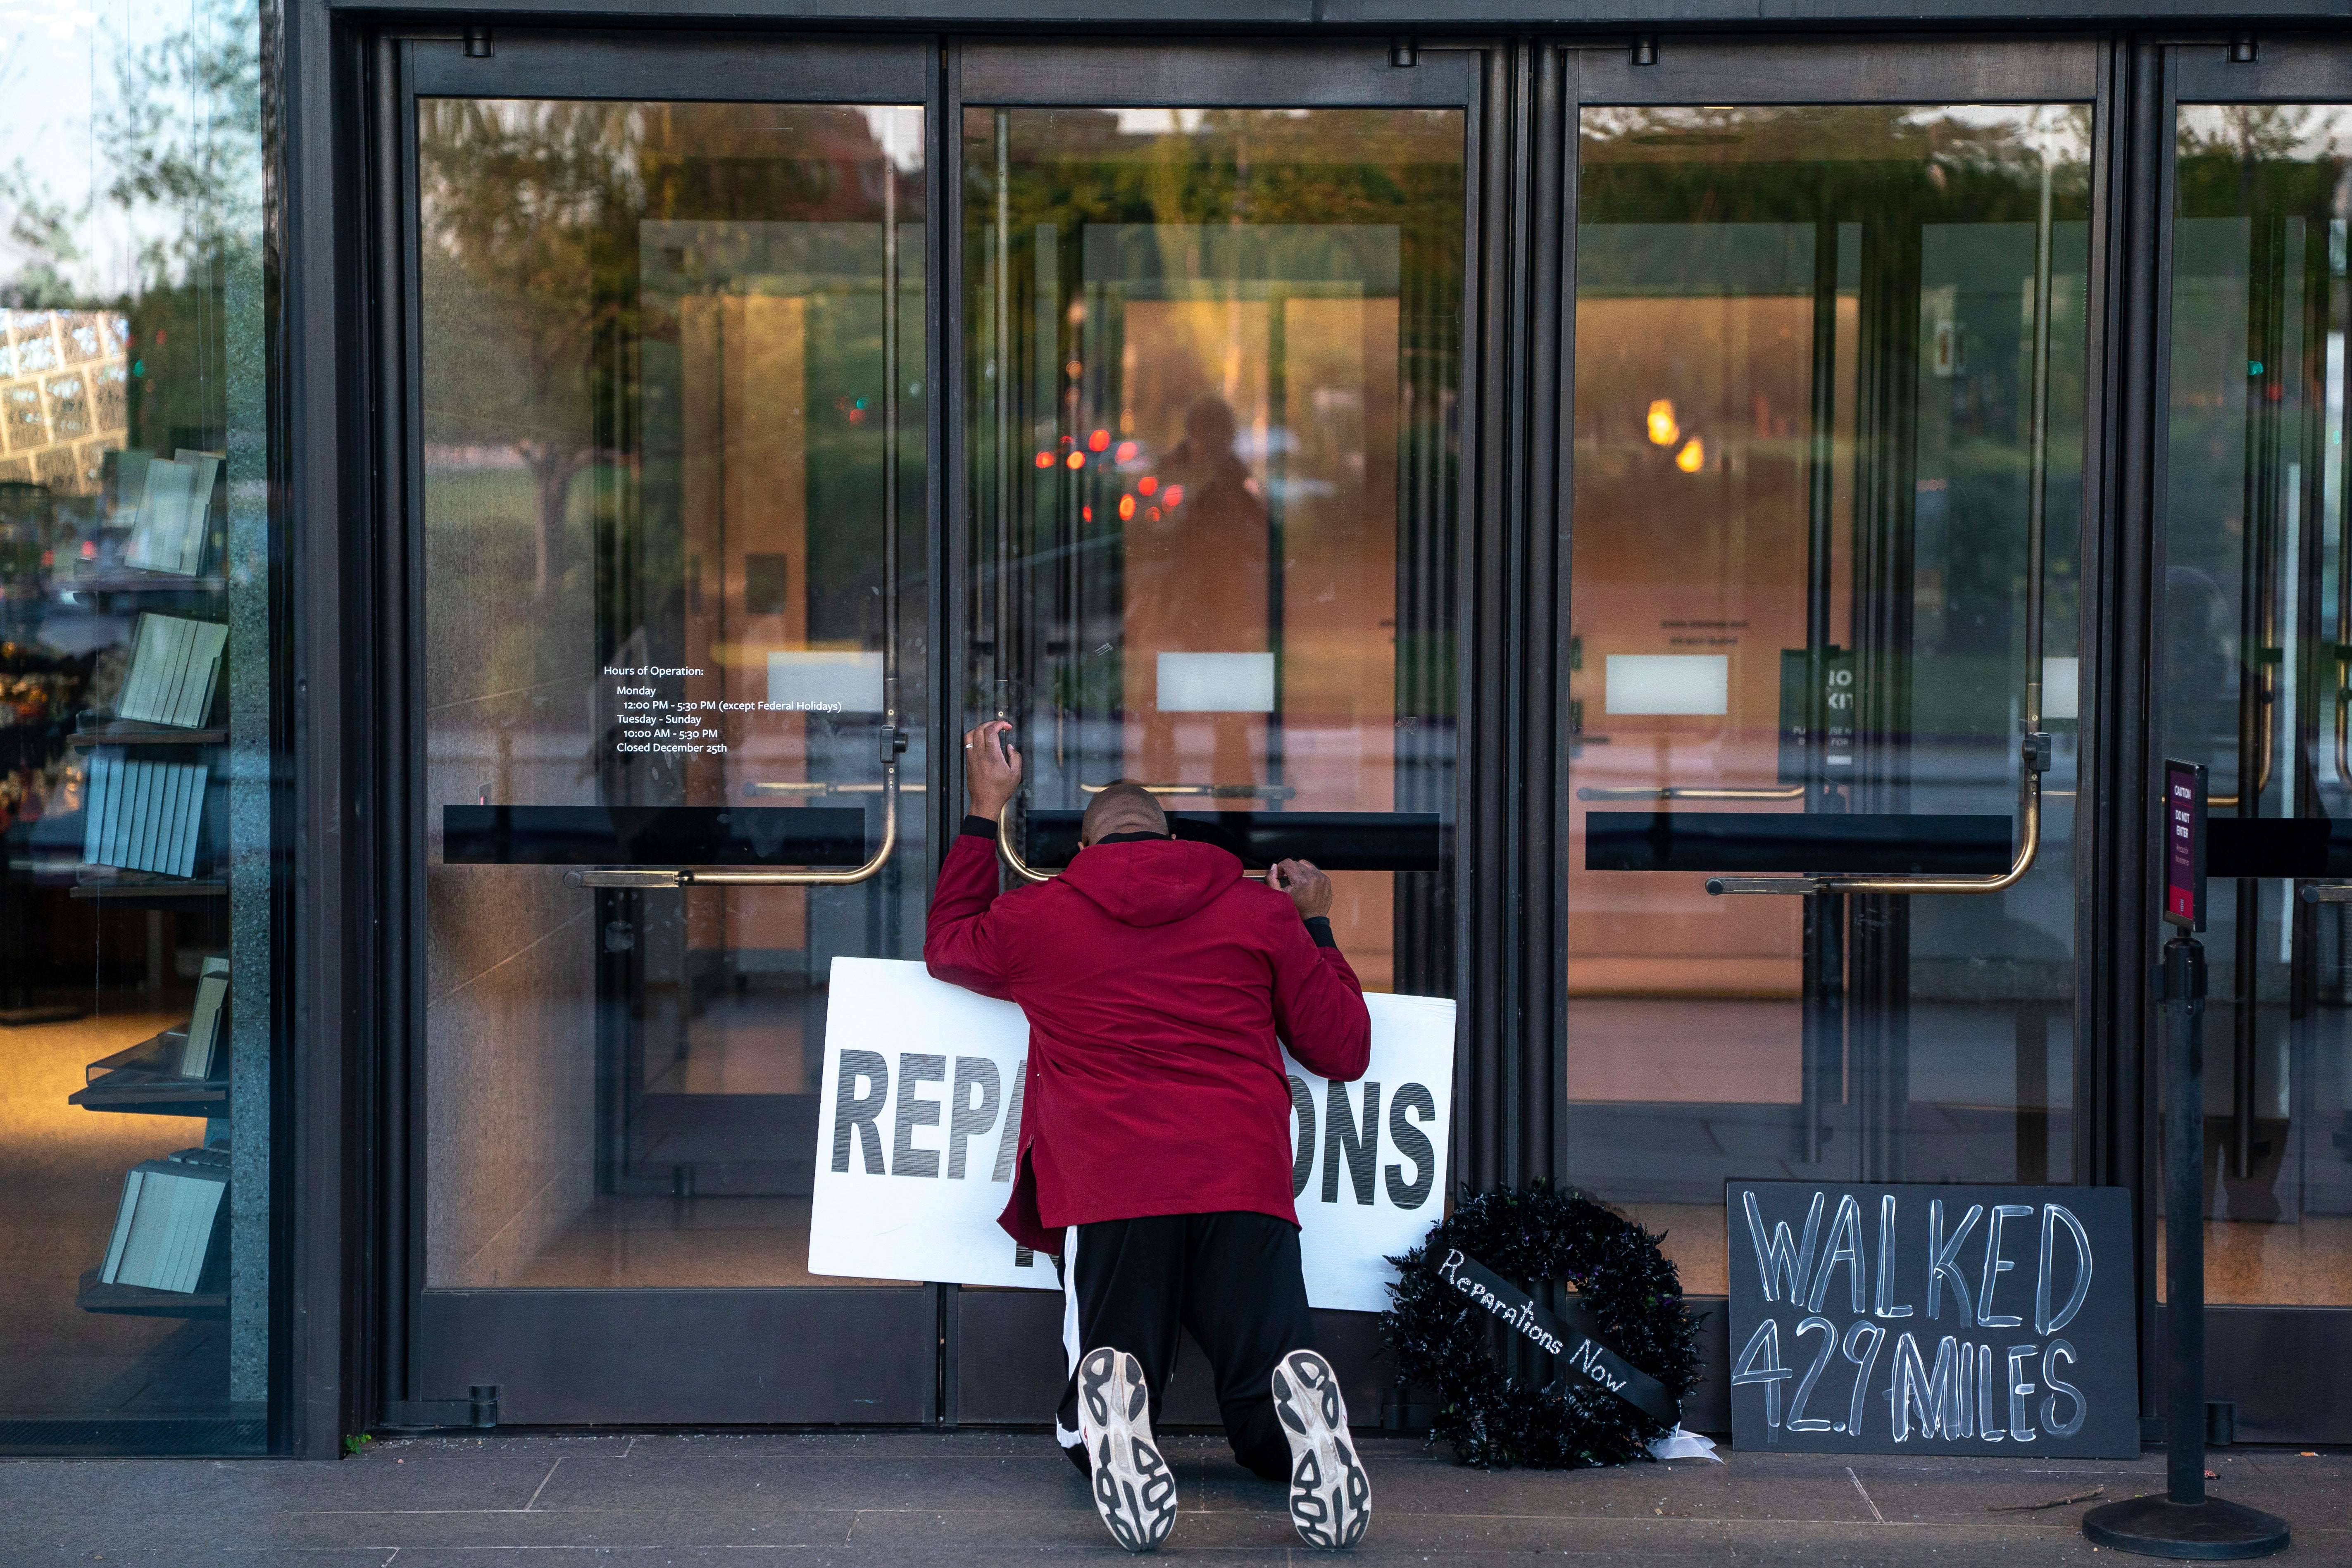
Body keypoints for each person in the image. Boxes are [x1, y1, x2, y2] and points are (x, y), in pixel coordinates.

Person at [925, 720, 1374, 1554]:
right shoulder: (1258, 912)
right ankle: (1292, 1423)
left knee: (1109, 1376)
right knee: (1261, 1388)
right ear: (1173, 840)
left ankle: (1112, 1413)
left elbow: (947, 942)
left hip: (1110, 1184)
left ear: (1083, 850)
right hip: (1240, 1177)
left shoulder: (1037, 917)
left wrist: (985, 812)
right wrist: (1315, 924)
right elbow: (1342, 1047)